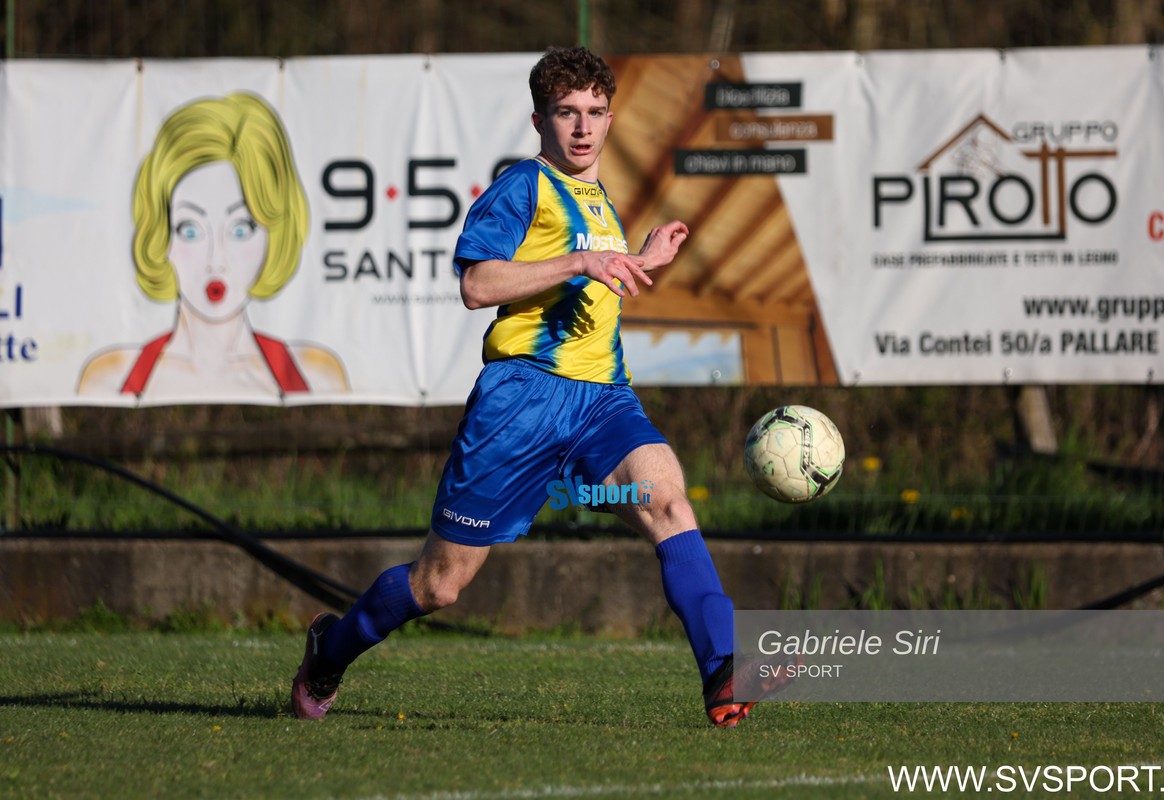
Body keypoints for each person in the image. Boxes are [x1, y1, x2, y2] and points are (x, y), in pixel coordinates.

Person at [292, 46, 765, 727]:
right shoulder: (523, 186)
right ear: (540, 119)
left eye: (596, 111)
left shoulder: (599, 200)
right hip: (521, 405)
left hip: (602, 401)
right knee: (439, 584)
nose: (583, 126)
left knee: (666, 499)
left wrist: (640, 259)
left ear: (611, 118)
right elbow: (477, 283)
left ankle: (723, 669)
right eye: (567, 112)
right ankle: (330, 648)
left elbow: (591, 279)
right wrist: (579, 260)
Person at [77, 92, 348, 400]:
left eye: (241, 229)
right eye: (190, 230)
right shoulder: (107, 378)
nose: (216, 260)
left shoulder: (319, 374)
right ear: (159, 233)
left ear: (275, 234)